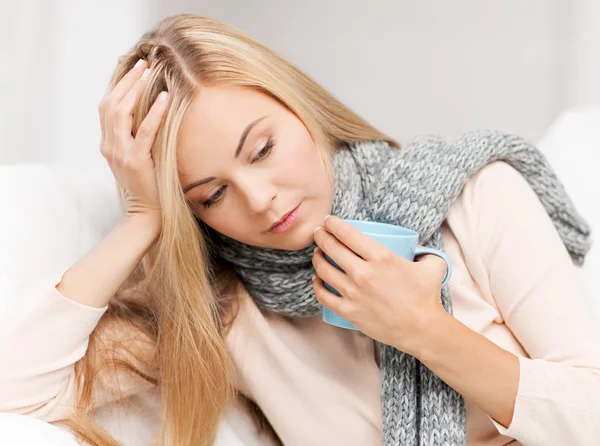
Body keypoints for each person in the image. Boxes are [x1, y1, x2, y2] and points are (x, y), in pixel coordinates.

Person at [1, 13, 600, 446]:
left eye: (261, 149)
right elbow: (13, 391)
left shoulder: (474, 197)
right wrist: (138, 222)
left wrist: (425, 330)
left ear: (298, 106)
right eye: (212, 195)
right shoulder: (225, 315)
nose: (260, 200)